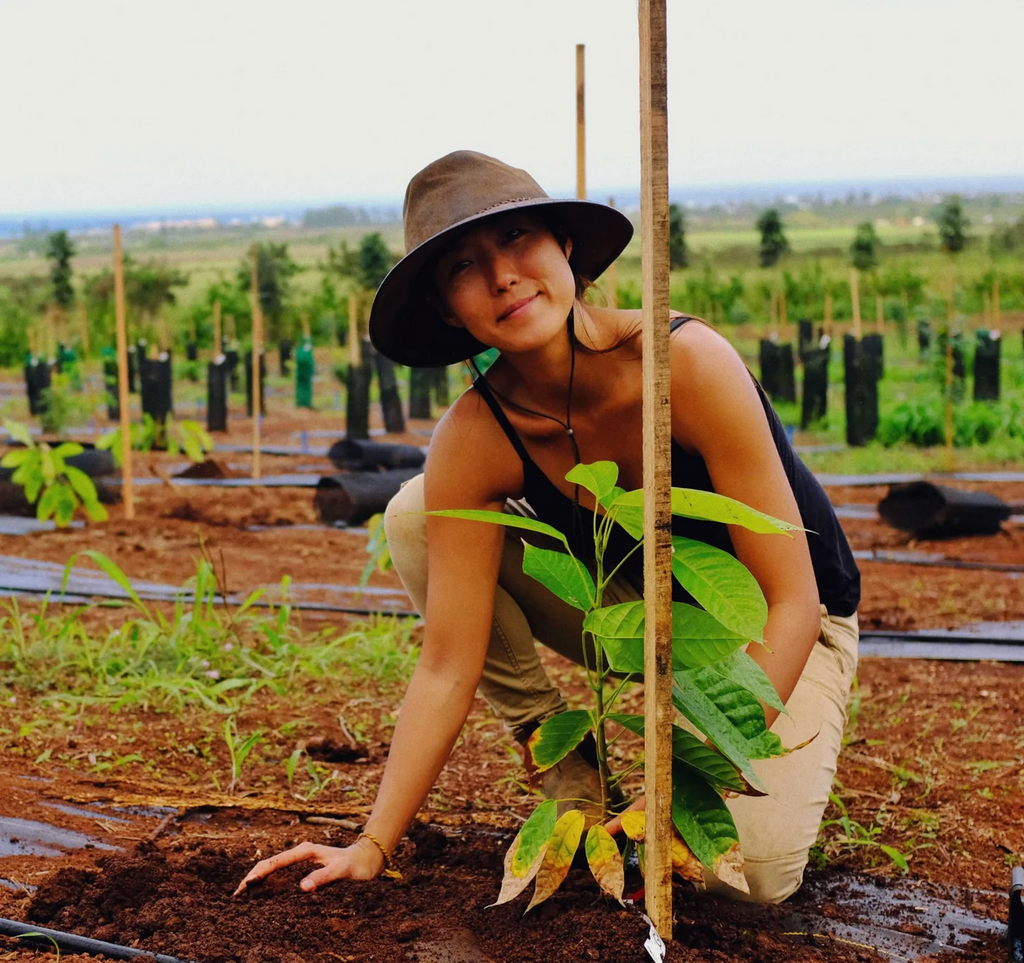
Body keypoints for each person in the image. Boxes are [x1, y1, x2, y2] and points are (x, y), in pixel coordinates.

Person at [235, 150, 860, 904]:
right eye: (465, 264)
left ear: (564, 247)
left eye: (519, 239)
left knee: (742, 879)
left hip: (784, 623)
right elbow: (446, 663)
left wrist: (675, 780)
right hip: (636, 610)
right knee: (417, 513)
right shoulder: (477, 433)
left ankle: (677, 781)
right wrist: (371, 843)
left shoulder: (684, 364)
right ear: (444, 308)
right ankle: (575, 777)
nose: (502, 274)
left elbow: (789, 598)